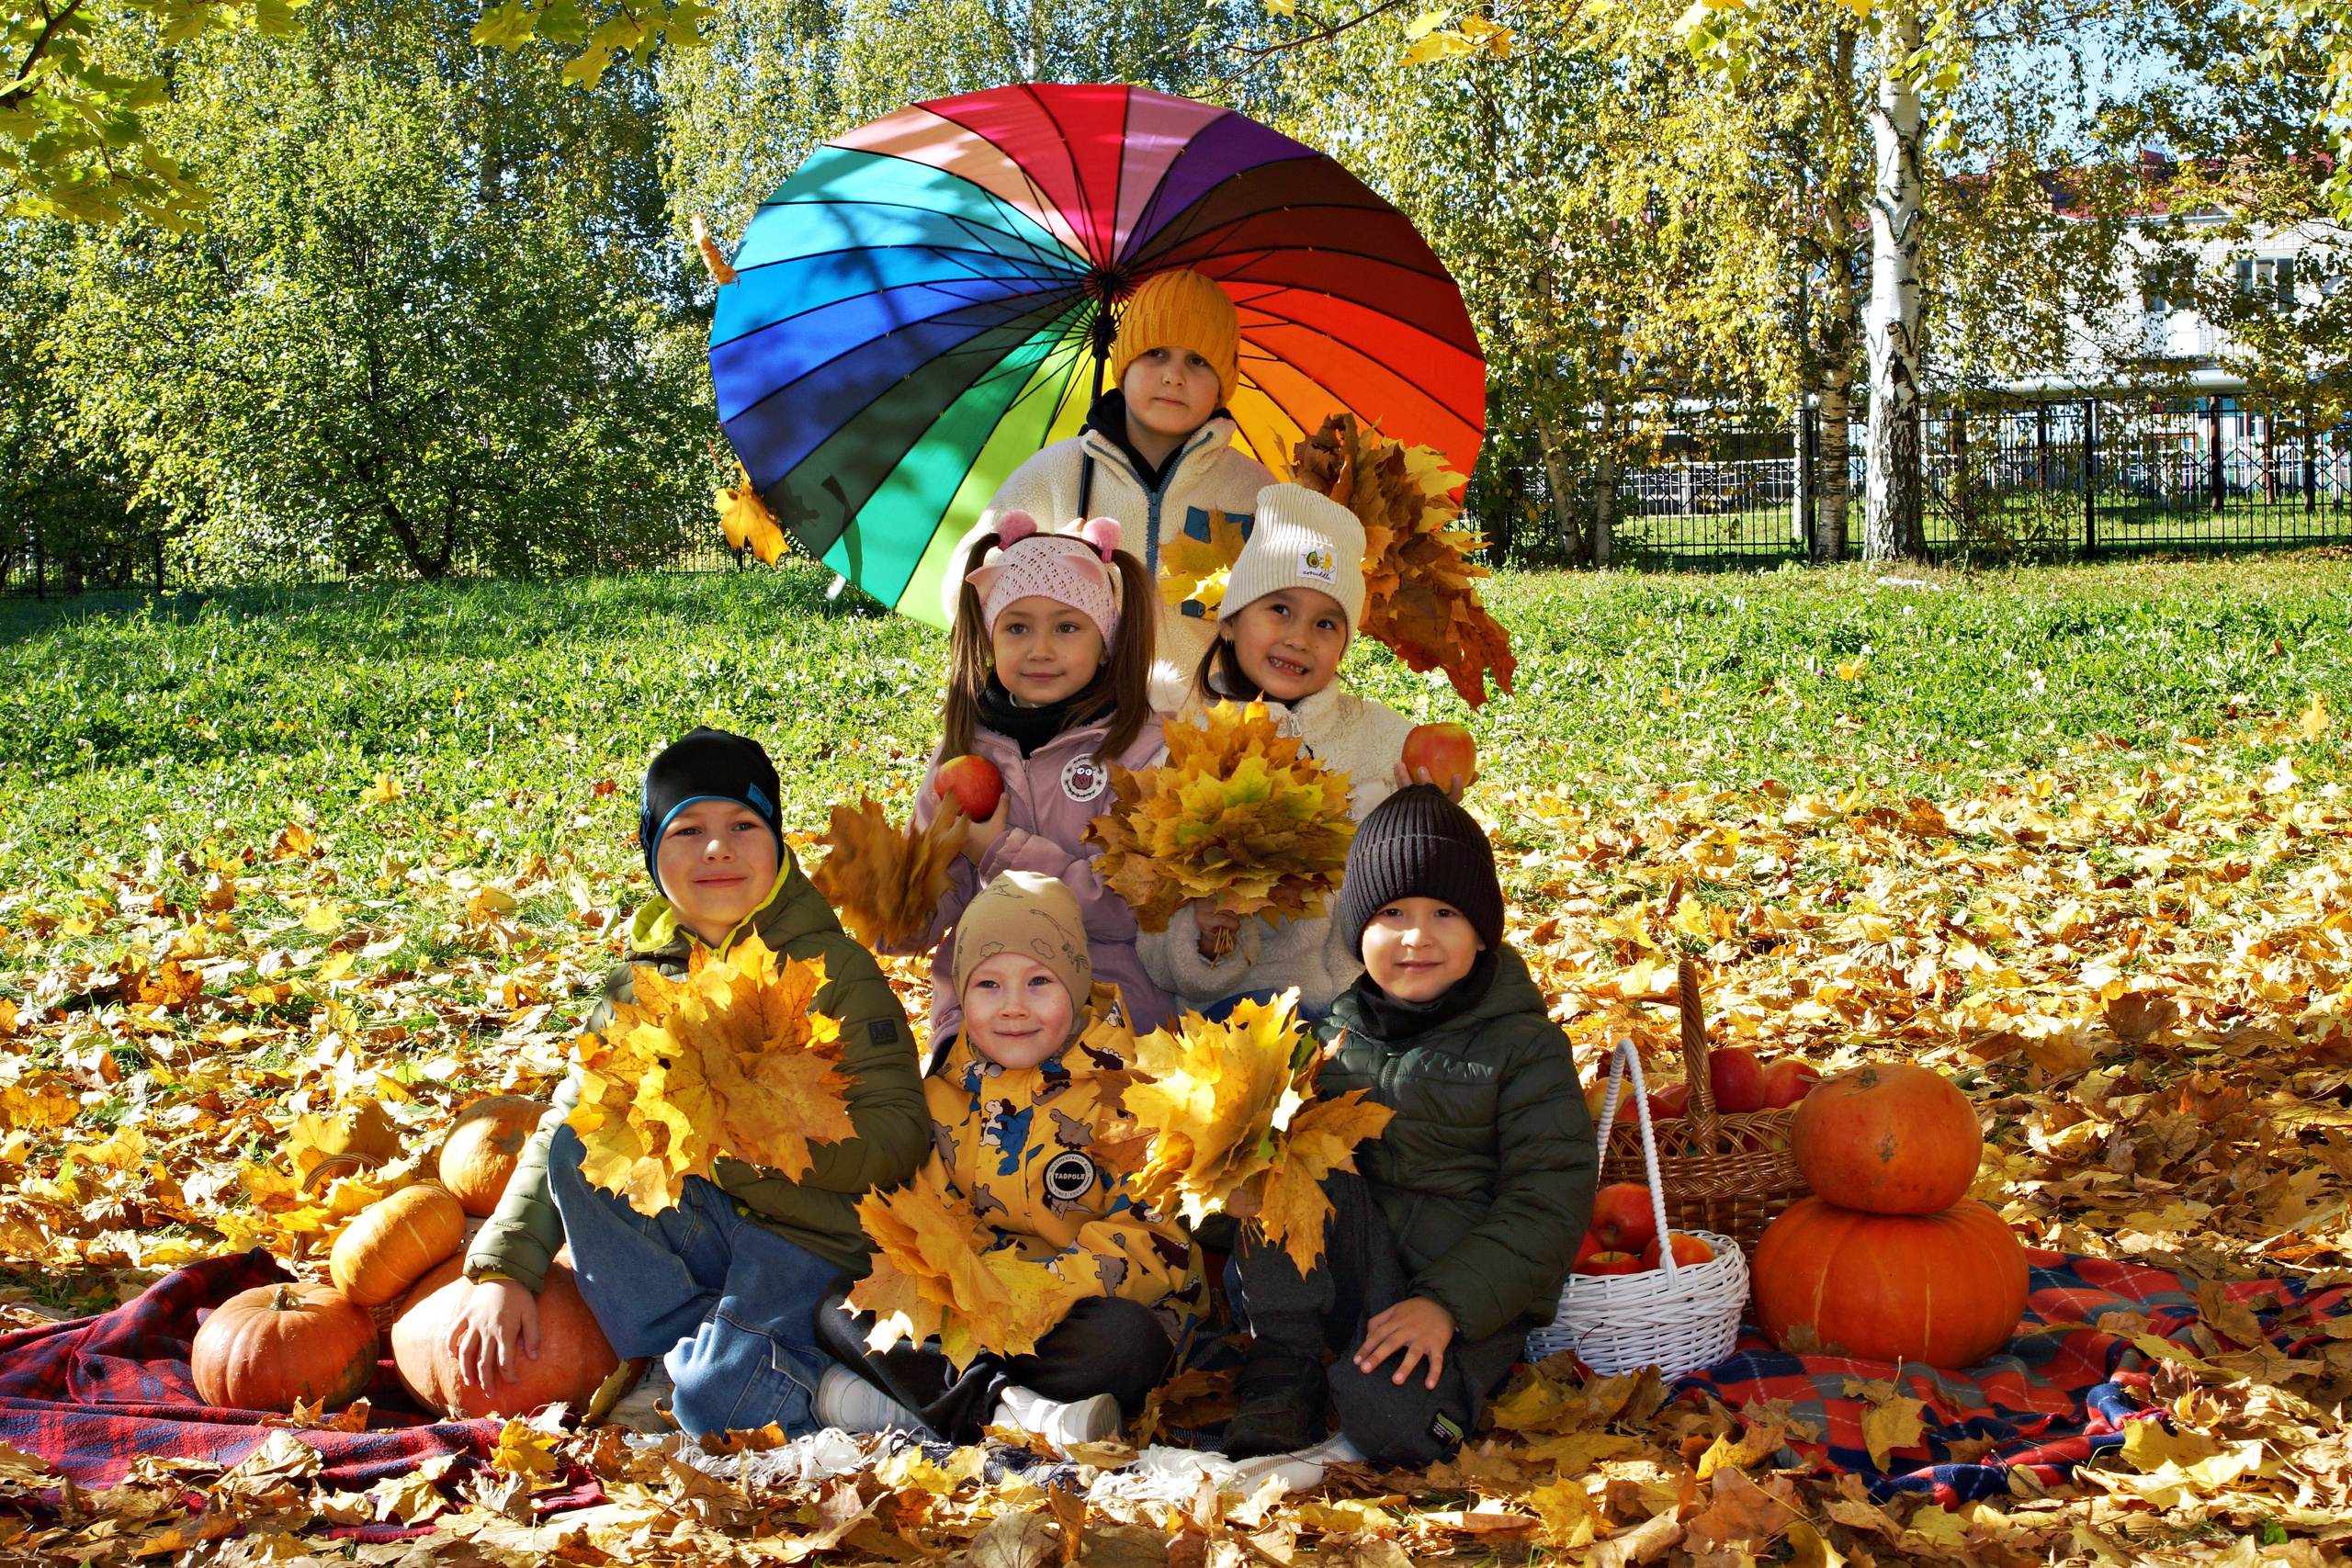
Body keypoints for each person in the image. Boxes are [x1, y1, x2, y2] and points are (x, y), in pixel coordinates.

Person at [449, 728, 930, 1438]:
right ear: (653, 855)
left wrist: (768, 1135)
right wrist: (507, 1266)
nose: (718, 847)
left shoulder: (832, 969)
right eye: (688, 828)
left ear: (777, 841)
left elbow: (901, 1132)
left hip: (812, 1237)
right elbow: (569, 1118)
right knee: (581, 1147)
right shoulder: (641, 982)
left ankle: (786, 1383)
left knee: (716, 1408)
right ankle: (701, 1354)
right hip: (710, 1219)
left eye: (743, 824)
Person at [1217, 785, 1595, 1469]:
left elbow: (1549, 1199)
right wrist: (1230, 1194)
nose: (1416, 935)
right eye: (1392, 912)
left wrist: (1446, 1305)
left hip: (1467, 1292)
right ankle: (1286, 1361)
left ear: (1482, 930)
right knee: (1283, 1150)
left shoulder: (1525, 1047)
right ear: (1358, 932)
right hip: (1356, 1273)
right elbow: (1271, 1196)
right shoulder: (1329, 1039)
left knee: (1397, 1426)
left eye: (1444, 912)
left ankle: (1390, 1392)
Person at [815, 873, 1198, 1453]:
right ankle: (1021, 1415)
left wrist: (1043, 1290)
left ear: (1075, 982)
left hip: (1078, 1310)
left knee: (1129, 1342)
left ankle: (907, 1404)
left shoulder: (1130, 1092)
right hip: (978, 1311)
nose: (1014, 1007)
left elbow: (1151, 1241)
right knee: (840, 1307)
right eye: (989, 985)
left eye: (1040, 982)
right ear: (961, 996)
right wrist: (972, 1289)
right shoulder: (943, 1094)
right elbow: (926, 1222)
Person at [1137, 481, 1449, 1021]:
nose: (1300, 637)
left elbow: (1428, 875)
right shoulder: (1189, 745)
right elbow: (1154, 933)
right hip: (1246, 1007)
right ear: (1230, 621)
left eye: (1326, 623)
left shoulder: (1381, 737)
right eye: (1279, 609)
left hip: (1374, 996)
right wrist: (1205, 931)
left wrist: (1437, 815)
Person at [944, 269, 1277, 704]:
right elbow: (965, 590)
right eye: (1155, 353)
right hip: (1077, 734)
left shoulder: (1255, 493)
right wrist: (1038, 560)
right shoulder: (1056, 472)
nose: (1174, 376)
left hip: (1213, 739)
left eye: (1198, 361)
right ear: (1123, 363)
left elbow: (1294, 620)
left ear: (1223, 383)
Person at [901, 513, 1174, 1039]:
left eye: (1067, 627)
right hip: (983, 1018)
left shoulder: (1143, 754)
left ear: (1107, 640)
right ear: (990, 635)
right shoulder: (963, 750)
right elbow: (933, 902)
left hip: (1106, 1018)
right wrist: (896, 903)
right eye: (1017, 626)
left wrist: (999, 851)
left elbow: (1129, 910)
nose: (1040, 649)